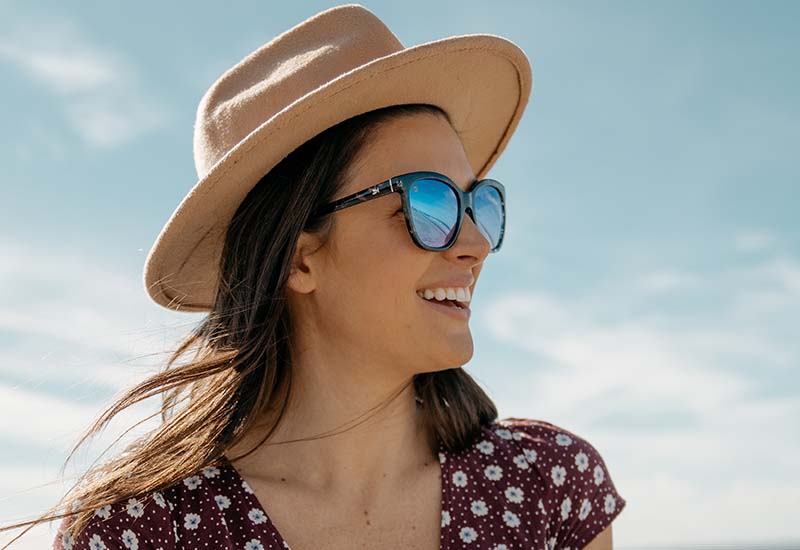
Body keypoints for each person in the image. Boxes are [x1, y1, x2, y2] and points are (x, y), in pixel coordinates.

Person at [2, 4, 626, 550]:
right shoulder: (138, 533)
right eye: (428, 204)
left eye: (476, 203)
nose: (474, 245)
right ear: (299, 258)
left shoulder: (548, 488)